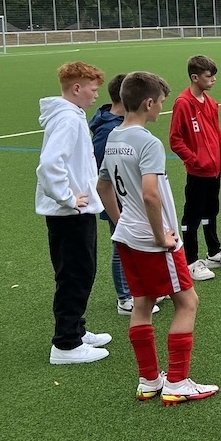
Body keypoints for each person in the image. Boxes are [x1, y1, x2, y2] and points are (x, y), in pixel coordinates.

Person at [98, 72, 217, 403]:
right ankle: (177, 382)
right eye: (161, 102)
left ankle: (149, 379)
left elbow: (103, 186)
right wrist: (160, 236)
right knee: (187, 302)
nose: (162, 108)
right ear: (149, 103)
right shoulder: (147, 142)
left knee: (143, 303)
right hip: (153, 241)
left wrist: (122, 221)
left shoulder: (114, 137)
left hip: (127, 236)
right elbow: (151, 194)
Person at [37, 61, 111, 365]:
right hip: (69, 214)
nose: (96, 95)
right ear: (77, 88)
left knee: (81, 271)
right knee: (74, 274)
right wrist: (68, 198)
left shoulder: (72, 115)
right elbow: (49, 164)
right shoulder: (67, 118)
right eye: (93, 89)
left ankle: (75, 330)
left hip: (75, 211)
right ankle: (65, 344)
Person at [169, 54, 221, 282]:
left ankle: (213, 253)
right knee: (192, 215)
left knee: (211, 211)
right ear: (195, 77)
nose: (213, 80)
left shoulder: (210, 103)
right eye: (209, 76)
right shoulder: (183, 103)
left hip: (214, 170)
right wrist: (195, 160)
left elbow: (217, 136)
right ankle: (191, 260)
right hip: (198, 171)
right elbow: (175, 139)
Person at [90, 73, 154, 317]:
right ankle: (125, 298)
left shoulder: (119, 125)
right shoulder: (109, 130)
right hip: (118, 198)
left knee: (136, 243)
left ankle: (141, 289)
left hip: (129, 196)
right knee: (121, 245)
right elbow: (102, 167)